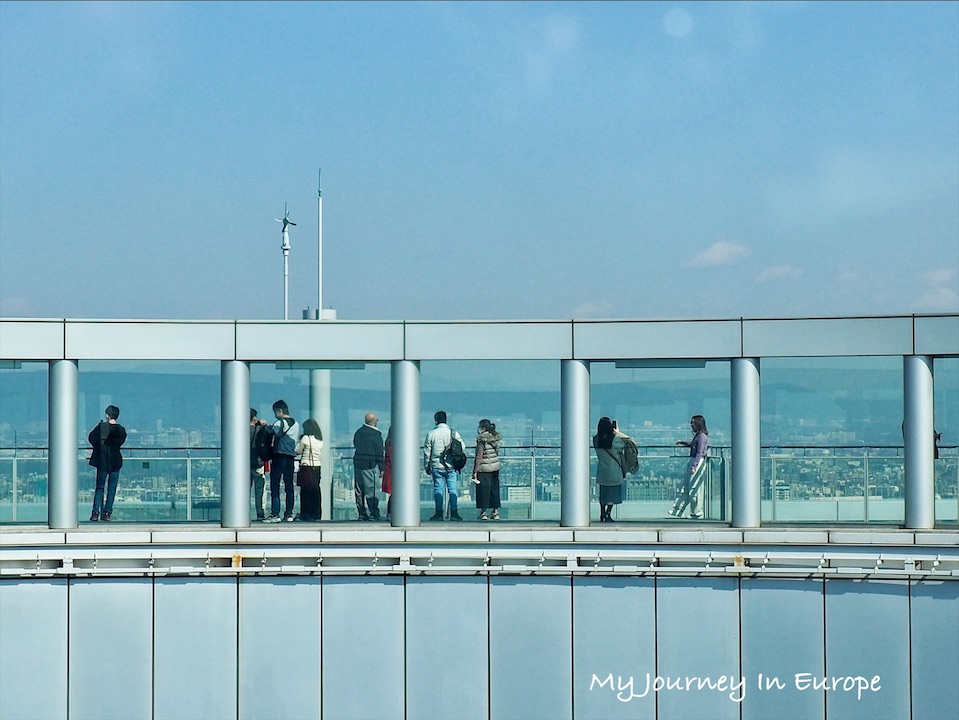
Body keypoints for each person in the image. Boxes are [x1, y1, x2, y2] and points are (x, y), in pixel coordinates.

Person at [87, 405, 127, 522]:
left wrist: (99, 447)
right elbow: (121, 441)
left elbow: (91, 438)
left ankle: (95, 513)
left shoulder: (101, 428)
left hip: (102, 460)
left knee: (99, 488)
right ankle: (107, 513)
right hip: (115, 460)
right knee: (112, 488)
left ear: (107, 415)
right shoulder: (120, 430)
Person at [424, 411, 465, 521]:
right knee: (452, 489)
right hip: (451, 465)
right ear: (446, 420)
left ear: (435, 420)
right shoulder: (453, 433)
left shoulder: (431, 434)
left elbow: (427, 452)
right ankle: (454, 513)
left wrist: (427, 466)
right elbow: (462, 447)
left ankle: (438, 513)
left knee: (438, 489)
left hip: (436, 465)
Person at [669, 414, 709, 519]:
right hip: (694, 461)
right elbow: (693, 444)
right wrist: (682, 442)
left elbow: (699, 453)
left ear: (698, 424)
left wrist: (694, 466)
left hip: (697, 462)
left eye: (693, 423)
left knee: (695, 488)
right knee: (686, 486)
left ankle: (697, 513)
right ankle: (678, 509)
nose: (691, 425)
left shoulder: (702, 437)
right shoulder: (699, 436)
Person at [266, 400, 299, 523]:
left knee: (275, 485)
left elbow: (270, 432)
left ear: (279, 410)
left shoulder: (279, 422)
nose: (275, 414)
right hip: (290, 457)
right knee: (289, 486)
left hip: (279, 456)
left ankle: (275, 513)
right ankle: (289, 513)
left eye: (275, 412)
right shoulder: (296, 424)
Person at [353, 412, 385, 521]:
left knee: (359, 490)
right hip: (370, 465)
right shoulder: (376, 436)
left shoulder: (358, 432)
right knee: (371, 490)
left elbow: (355, 444)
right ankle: (374, 512)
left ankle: (362, 513)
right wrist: (382, 467)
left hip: (358, 463)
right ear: (374, 421)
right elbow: (379, 453)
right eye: (376, 419)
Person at [593, 417, 626, 523]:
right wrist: (618, 432)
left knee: (603, 494)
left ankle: (602, 513)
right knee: (612, 494)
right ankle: (608, 514)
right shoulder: (614, 440)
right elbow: (623, 445)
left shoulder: (596, 439)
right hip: (614, 470)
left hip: (602, 470)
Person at [471, 418, 502, 520]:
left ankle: (483, 512)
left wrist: (475, 471)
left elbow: (479, 456)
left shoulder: (481, 440)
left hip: (484, 468)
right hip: (495, 467)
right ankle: (495, 512)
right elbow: (496, 452)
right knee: (494, 489)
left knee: (483, 490)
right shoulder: (495, 439)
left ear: (483, 428)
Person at [294, 419, 323, 522]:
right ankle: (316, 514)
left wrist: (299, 440)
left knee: (305, 492)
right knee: (315, 491)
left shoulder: (306, 438)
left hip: (306, 467)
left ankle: (305, 514)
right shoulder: (320, 440)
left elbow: (297, 450)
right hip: (317, 467)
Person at [250, 409, 268, 521]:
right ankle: (260, 513)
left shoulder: (239, 430)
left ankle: (242, 512)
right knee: (260, 490)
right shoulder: (260, 430)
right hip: (258, 463)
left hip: (243, 465)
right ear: (254, 418)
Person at [382, 426, 393, 522]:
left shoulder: (388, 442)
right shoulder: (393, 445)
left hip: (390, 472)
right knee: (395, 494)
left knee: (393, 494)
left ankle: (390, 513)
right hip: (395, 473)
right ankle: (391, 513)